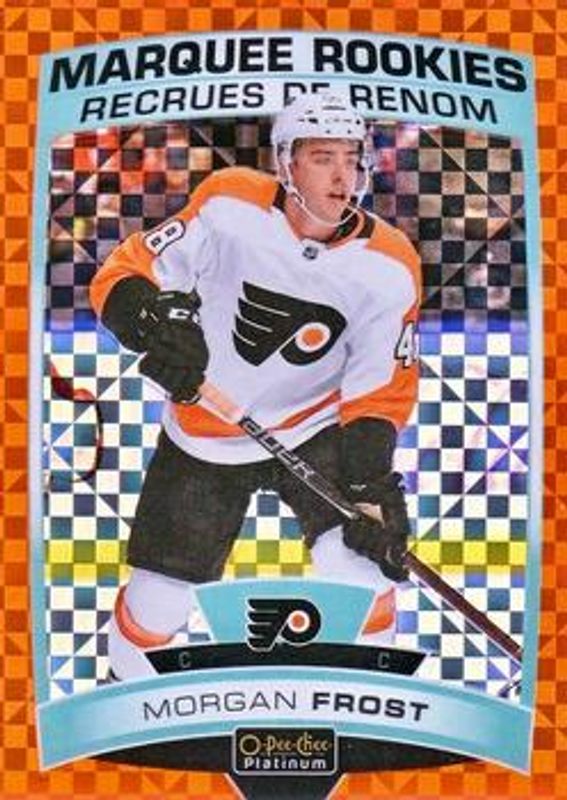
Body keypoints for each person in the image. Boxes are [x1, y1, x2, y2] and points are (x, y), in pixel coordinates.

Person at [89, 93, 421, 680]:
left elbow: (379, 390)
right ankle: (118, 696)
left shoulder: (390, 264)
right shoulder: (229, 203)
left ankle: (377, 692)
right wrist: (153, 325)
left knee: (360, 570)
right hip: (208, 429)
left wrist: (371, 485)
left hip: (313, 428)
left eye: (352, 158)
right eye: (323, 158)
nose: (343, 176)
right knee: (159, 598)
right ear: (286, 161)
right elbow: (126, 271)